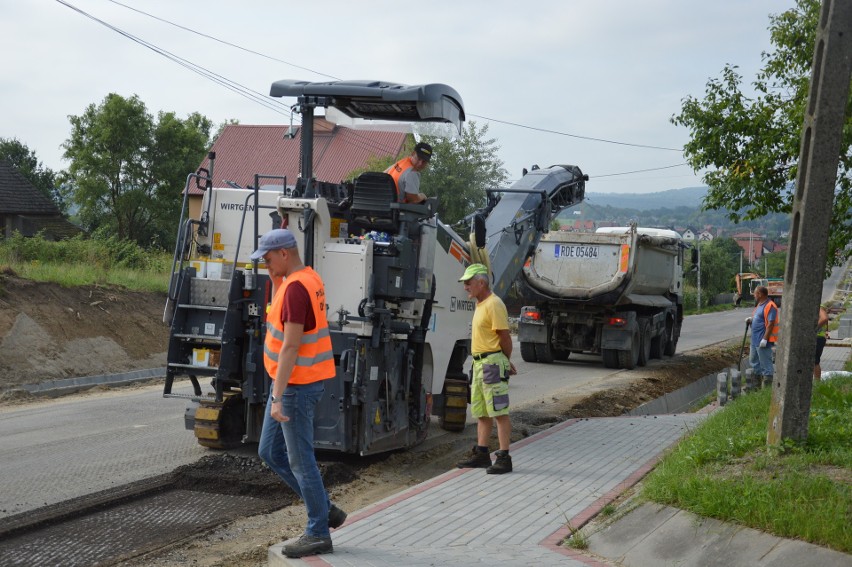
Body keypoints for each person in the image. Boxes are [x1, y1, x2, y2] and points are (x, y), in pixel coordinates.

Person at [253, 228, 346, 558]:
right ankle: (325, 509)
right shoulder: (305, 278)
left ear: (284, 253)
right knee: (270, 452)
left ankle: (319, 532)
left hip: (294, 386)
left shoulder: (296, 289)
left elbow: (291, 346)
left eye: (267, 258)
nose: (264, 264)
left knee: (300, 459)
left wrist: (277, 396)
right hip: (294, 383)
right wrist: (275, 279)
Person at [455, 263, 517, 474]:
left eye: (468, 283)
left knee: (499, 411)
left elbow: (505, 337)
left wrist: (505, 361)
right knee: (481, 412)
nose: (465, 287)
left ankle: (504, 457)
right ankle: (482, 454)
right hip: (480, 363)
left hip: (491, 363)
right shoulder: (480, 304)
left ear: (481, 283)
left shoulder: (494, 304)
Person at [748, 285, 778, 387]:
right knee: (754, 363)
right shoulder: (759, 305)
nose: (753, 295)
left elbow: (771, 323)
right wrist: (751, 320)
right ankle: (756, 387)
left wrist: (765, 339)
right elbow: (759, 318)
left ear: (760, 294)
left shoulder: (770, 305)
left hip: (763, 341)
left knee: (766, 365)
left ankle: (767, 390)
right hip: (755, 340)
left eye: (755, 293)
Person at [814, 305, 829, 381]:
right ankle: (817, 383)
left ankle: (817, 383)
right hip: (819, 337)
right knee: (814, 361)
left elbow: (824, 318)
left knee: (815, 361)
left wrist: (813, 329)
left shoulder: (817, 307)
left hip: (817, 337)